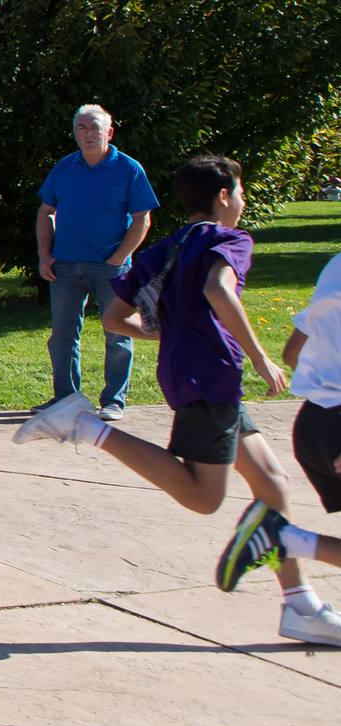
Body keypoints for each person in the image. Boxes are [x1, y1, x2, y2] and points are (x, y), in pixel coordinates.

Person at [26, 156, 341, 648]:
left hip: (192, 371)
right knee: (203, 497)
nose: (240, 201)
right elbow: (219, 289)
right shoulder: (228, 239)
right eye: (238, 193)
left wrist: (174, 334)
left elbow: (114, 318)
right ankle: (87, 426)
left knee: (272, 485)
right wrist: (259, 357)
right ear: (222, 196)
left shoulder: (166, 246)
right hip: (211, 376)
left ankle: (300, 605)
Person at [242, 250, 341, 645]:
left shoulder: (335, 265)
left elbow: (292, 352)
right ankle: (283, 540)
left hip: (314, 422)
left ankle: (286, 547)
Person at [38, 104, 161, 421]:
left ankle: (113, 400)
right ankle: (66, 398)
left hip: (111, 268)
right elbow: (45, 212)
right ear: (75, 133)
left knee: (118, 333)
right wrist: (44, 255)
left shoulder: (129, 169)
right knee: (62, 336)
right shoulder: (65, 167)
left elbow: (141, 219)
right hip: (64, 266)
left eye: (95, 128)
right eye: (81, 128)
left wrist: (119, 257)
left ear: (109, 132)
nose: (88, 134)